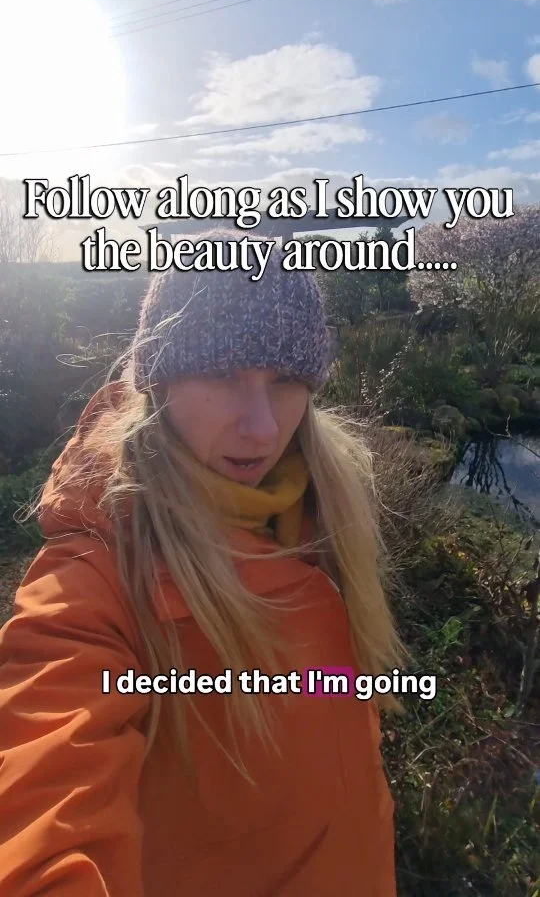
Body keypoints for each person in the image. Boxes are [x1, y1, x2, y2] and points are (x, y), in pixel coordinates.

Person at [0, 228, 407, 896]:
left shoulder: (323, 513)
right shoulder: (99, 574)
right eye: (223, 374)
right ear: (158, 383)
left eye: (286, 380)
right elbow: (44, 795)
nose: (262, 427)